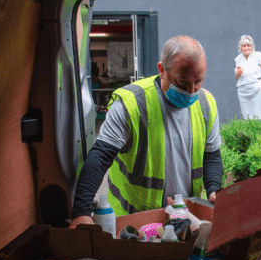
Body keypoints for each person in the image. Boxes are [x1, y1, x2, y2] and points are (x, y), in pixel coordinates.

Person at [69, 35, 223, 228]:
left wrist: (213, 189)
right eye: (182, 82)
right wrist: (81, 212)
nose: (191, 90)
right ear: (162, 70)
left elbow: (212, 155)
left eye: (198, 81)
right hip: (133, 224)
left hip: (184, 219)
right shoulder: (132, 105)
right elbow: (100, 157)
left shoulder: (206, 104)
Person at [234, 35, 261, 119]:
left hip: (257, 89)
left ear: (252, 46)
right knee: (248, 117)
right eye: (244, 46)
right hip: (243, 92)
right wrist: (238, 73)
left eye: (248, 45)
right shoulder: (238, 59)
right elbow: (238, 78)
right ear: (240, 47)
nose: (246, 48)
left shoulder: (258, 55)